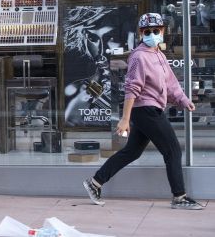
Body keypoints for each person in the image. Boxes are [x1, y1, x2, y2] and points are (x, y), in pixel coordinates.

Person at [83, 13, 203, 210]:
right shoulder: (138, 56)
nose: (153, 34)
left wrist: (183, 100)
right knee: (172, 150)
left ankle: (94, 183)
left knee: (132, 152)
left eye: (156, 30)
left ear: (163, 31)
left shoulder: (159, 55)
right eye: (148, 31)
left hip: (150, 109)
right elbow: (132, 88)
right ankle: (179, 197)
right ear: (141, 33)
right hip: (145, 109)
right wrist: (124, 119)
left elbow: (171, 84)